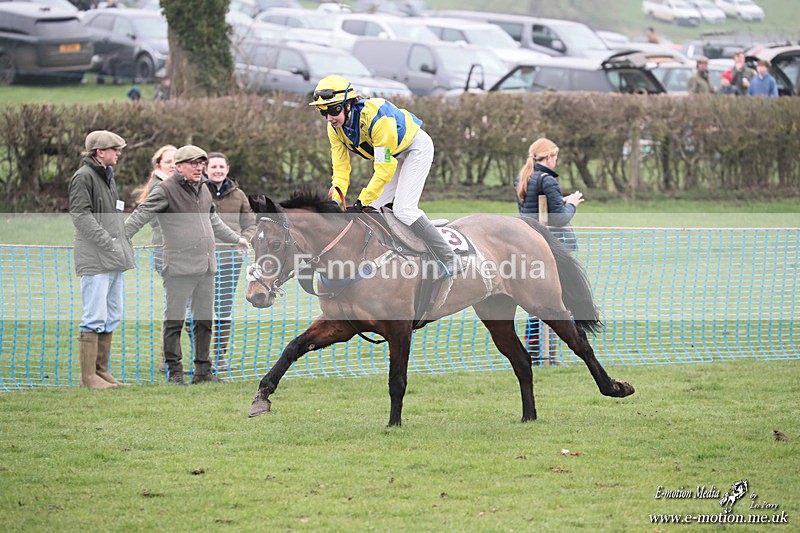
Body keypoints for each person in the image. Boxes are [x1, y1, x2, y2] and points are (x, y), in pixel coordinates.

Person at [308, 74, 458, 280]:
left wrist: (362, 200)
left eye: (334, 110)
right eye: (323, 112)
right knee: (373, 212)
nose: (329, 118)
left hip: (415, 149)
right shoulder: (334, 128)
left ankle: (448, 256)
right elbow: (341, 170)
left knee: (403, 209)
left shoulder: (377, 118)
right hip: (392, 156)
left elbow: (384, 167)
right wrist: (335, 199)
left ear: (349, 104)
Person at [125, 145, 250, 385]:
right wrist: (119, 239)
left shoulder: (203, 188)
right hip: (179, 267)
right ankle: (174, 372)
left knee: (204, 320)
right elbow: (140, 216)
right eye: (193, 163)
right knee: (174, 320)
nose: (199, 167)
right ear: (179, 167)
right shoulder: (165, 190)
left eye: (201, 163)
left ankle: (203, 372)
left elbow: (213, 220)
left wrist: (237, 239)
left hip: (206, 266)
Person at [69, 130, 136, 389]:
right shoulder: (83, 177)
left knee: (111, 313)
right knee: (94, 315)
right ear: (100, 152)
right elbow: (81, 216)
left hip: (112, 257)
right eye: (115, 149)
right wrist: (107, 242)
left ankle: (101, 371)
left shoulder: (107, 175)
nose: (118, 153)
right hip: (95, 256)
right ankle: (88, 378)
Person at [515, 138, 583, 366]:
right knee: (556, 301)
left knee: (534, 301)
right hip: (550, 246)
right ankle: (554, 352)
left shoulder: (525, 177)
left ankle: (535, 349)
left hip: (527, 243)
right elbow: (560, 218)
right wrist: (572, 203)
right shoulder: (547, 180)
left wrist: (560, 201)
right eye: (555, 156)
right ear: (550, 157)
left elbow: (535, 209)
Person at [204, 152, 257, 372]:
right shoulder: (199, 191)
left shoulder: (239, 195)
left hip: (230, 261)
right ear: (206, 169)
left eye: (221, 167)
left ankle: (219, 356)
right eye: (213, 167)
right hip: (202, 259)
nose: (217, 170)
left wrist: (244, 240)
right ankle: (202, 355)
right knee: (200, 309)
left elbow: (251, 223)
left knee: (223, 309)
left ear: (227, 168)